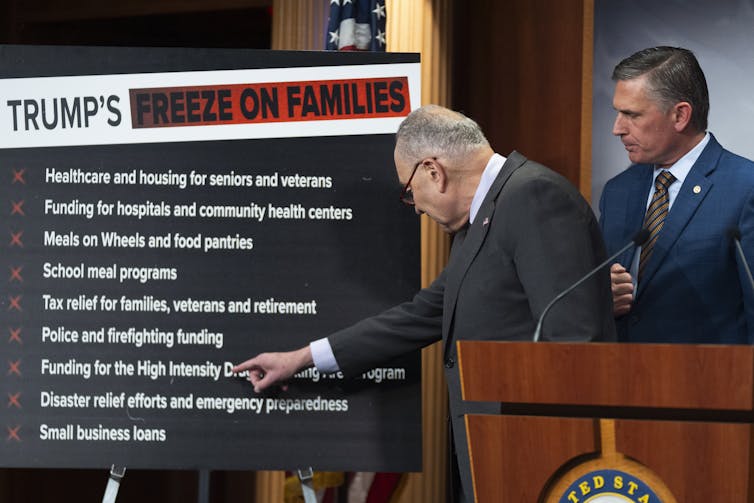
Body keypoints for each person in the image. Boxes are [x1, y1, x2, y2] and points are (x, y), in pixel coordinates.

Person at [234, 104, 615, 502]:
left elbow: (573, 347)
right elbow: (420, 315)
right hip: (492, 454)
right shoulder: (483, 217)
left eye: (408, 190)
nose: (414, 206)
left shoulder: (534, 196)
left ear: (434, 171)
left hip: (532, 459)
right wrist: (299, 358)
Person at [599, 46, 754, 343]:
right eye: (618, 113)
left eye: (631, 114)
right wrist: (601, 298)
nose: (617, 128)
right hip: (620, 378)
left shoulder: (746, 188)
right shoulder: (617, 192)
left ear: (680, 115)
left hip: (709, 381)